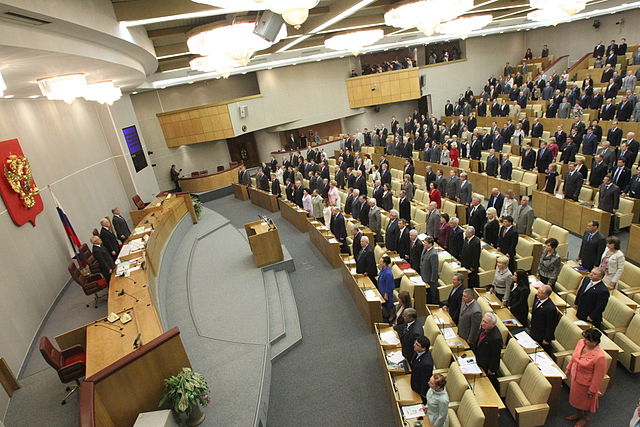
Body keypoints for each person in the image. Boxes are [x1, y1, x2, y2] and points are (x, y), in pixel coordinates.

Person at [565, 329, 607, 426]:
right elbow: (574, 357)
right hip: (576, 377)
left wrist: (592, 390)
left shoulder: (599, 357)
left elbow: (598, 376)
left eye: (587, 340)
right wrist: (568, 369)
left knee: (586, 403)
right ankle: (578, 414)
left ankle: (585, 418)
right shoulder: (581, 343)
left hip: (587, 384)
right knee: (576, 400)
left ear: (595, 342)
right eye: (584, 338)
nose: (584, 341)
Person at [474, 312, 503, 389]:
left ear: (493, 324)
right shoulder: (484, 328)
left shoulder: (496, 338)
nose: (483, 323)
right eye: (483, 321)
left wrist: (491, 370)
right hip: (478, 359)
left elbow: (495, 356)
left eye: (485, 322)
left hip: (486, 366)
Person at [530, 284, 557, 354]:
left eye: (540, 292)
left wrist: (546, 339)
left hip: (541, 335)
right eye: (538, 291)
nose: (537, 293)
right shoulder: (536, 297)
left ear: (546, 295)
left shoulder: (551, 308)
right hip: (534, 329)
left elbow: (551, 325)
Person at [410, 336, 434, 404]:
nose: (414, 345)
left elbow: (425, 380)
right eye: (415, 343)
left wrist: (423, 395)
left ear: (423, 348)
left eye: (417, 345)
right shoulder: (417, 351)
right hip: (414, 380)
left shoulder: (427, 364)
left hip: (418, 388)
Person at [420, 236, 439, 304]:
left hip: (430, 278)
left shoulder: (433, 254)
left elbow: (435, 268)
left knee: (432, 294)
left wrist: (432, 279)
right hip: (424, 274)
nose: (424, 244)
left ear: (430, 244)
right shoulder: (425, 248)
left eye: (426, 243)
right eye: (424, 243)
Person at [378, 256, 395, 321]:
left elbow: (389, 285)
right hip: (382, 288)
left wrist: (386, 293)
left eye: (381, 262)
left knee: (389, 304)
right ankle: (386, 313)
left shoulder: (388, 273)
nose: (379, 263)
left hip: (387, 291)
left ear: (385, 263)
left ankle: (392, 315)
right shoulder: (383, 269)